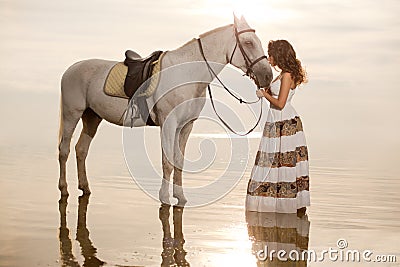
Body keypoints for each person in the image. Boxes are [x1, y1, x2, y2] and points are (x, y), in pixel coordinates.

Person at [246, 40, 310, 216]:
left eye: (271, 54)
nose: (269, 57)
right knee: (274, 161)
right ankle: (276, 203)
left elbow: (281, 103)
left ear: (279, 55)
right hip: (277, 121)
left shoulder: (287, 75)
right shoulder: (283, 74)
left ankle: (283, 204)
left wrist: (264, 94)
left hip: (284, 122)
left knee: (282, 162)